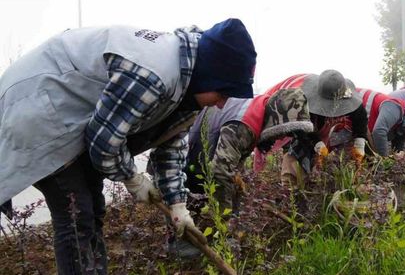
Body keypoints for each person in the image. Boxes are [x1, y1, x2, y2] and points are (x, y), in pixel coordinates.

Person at [0, 18, 257, 274]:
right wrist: (133, 178)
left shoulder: (188, 87)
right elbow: (103, 143)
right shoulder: (154, 74)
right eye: (223, 93)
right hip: (38, 109)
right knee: (76, 213)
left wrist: (178, 205)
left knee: (93, 210)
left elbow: (171, 147)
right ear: (210, 75)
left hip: (73, 120)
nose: (222, 104)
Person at [185, 88, 314, 208]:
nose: (281, 138)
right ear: (277, 121)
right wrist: (225, 217)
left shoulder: (258, 107)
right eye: (283, 131)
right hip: (193, 160)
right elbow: (220, 172)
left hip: (199, 150)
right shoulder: (245, 125)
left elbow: (231, 162)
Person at [263, 70, 369, 185]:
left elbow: (361, 123)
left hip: (340, 140)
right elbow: (301, 128)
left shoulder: (352, 102)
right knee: (293, 163)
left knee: (342, 172)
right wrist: (317, 144)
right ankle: (291, 189)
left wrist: (359, 144)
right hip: (311, 137)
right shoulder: (304, 104)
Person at [357, 88, 405, 156]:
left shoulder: (403, 125)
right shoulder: (395, 107)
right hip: (352, 105)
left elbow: (398, 148)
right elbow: (379, 132)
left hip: (361, 125)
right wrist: (385, 160)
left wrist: (399, 157)